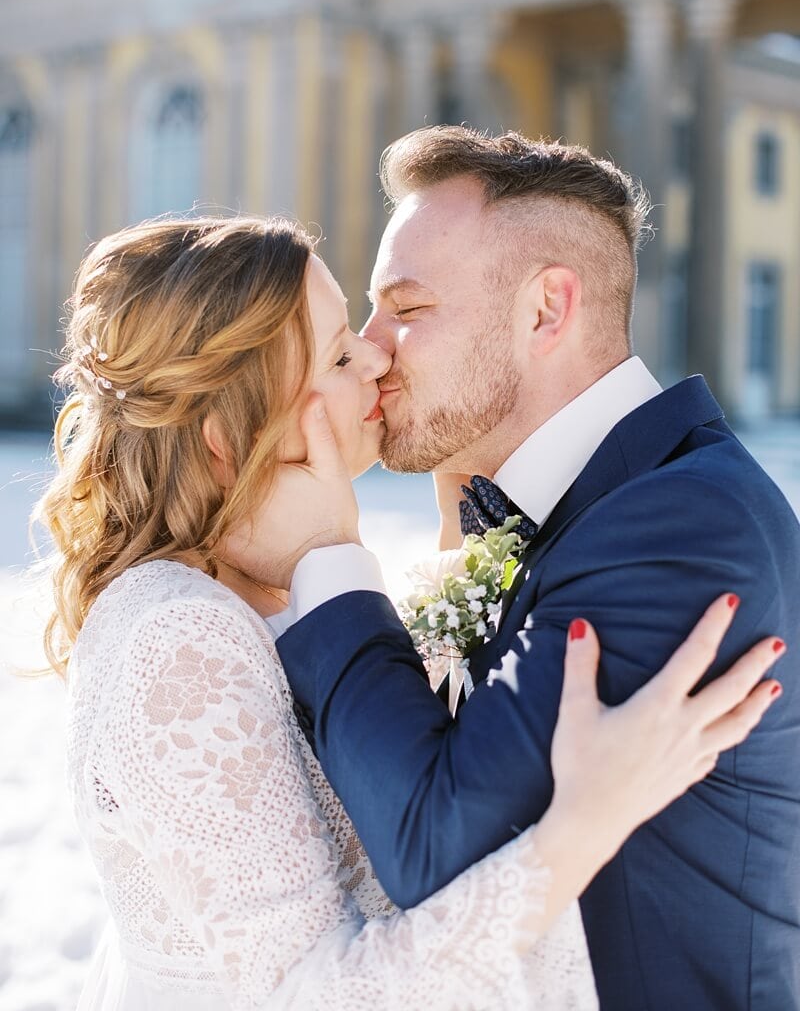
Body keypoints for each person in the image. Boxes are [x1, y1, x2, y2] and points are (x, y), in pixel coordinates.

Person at [36, 215, 781, 1011]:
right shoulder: (176, 638)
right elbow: (316, 996)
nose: (377, 356)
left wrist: (459, 552)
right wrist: (588, 825)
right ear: (227, 433)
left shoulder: (287, 586)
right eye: (337, 355)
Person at [271, 127, 800, 1011]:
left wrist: (326, 555)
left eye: (407, 306)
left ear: (546, 310)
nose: (371, 347)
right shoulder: (617, 499)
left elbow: (431, 847)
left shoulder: (676, 531)